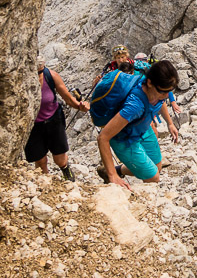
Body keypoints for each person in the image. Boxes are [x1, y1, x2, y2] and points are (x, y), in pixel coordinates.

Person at [96, 60, 179, 188]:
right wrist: (113, 176)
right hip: (124, 140)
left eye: (169, 91)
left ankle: (119, 170)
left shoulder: (156, 92)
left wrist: (170, 123)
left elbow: (160, 101)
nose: (167, 95)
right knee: (153, 177)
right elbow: (103, 137)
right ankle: (111, 173)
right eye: (163, 92)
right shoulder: (134, 106)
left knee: (157, 166)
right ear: (150, 82)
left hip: (142, 129)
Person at [25, 59, 90, 181]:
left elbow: (68, 98)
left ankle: (65, 169)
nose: (39, 75)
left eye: (41, 72)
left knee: (59, 158)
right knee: (40, 159)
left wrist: (80, 106)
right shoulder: (23, 80)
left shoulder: (51, 76)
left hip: (53, 120)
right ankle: (45, 181)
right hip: (33, 125)